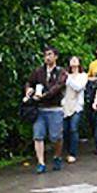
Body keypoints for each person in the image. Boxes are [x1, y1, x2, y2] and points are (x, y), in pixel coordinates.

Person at [24, 46, 68, 174]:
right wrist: (28, 90)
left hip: (55, 108)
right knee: (38, 135)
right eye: (45, 55)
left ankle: (57, 156)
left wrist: (43, 96)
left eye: (50, 55)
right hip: (39, 109)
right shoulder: (39, 71)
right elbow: (29, 82)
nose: (47, 58)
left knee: (56, 137)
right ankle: (41, 162)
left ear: (55, 56)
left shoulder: (61, 72)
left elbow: (58, 87)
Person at [60, 54, 89, 164]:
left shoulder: (83, 76)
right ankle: (67, 152)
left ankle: (73, 153)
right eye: (71, 59)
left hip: (77, 106)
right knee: (65, 130)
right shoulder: (65, 76)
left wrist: (68, 79)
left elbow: (79, 87)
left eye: (75, 60)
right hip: (65, 105)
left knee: (73, 128)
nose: (73, 61)